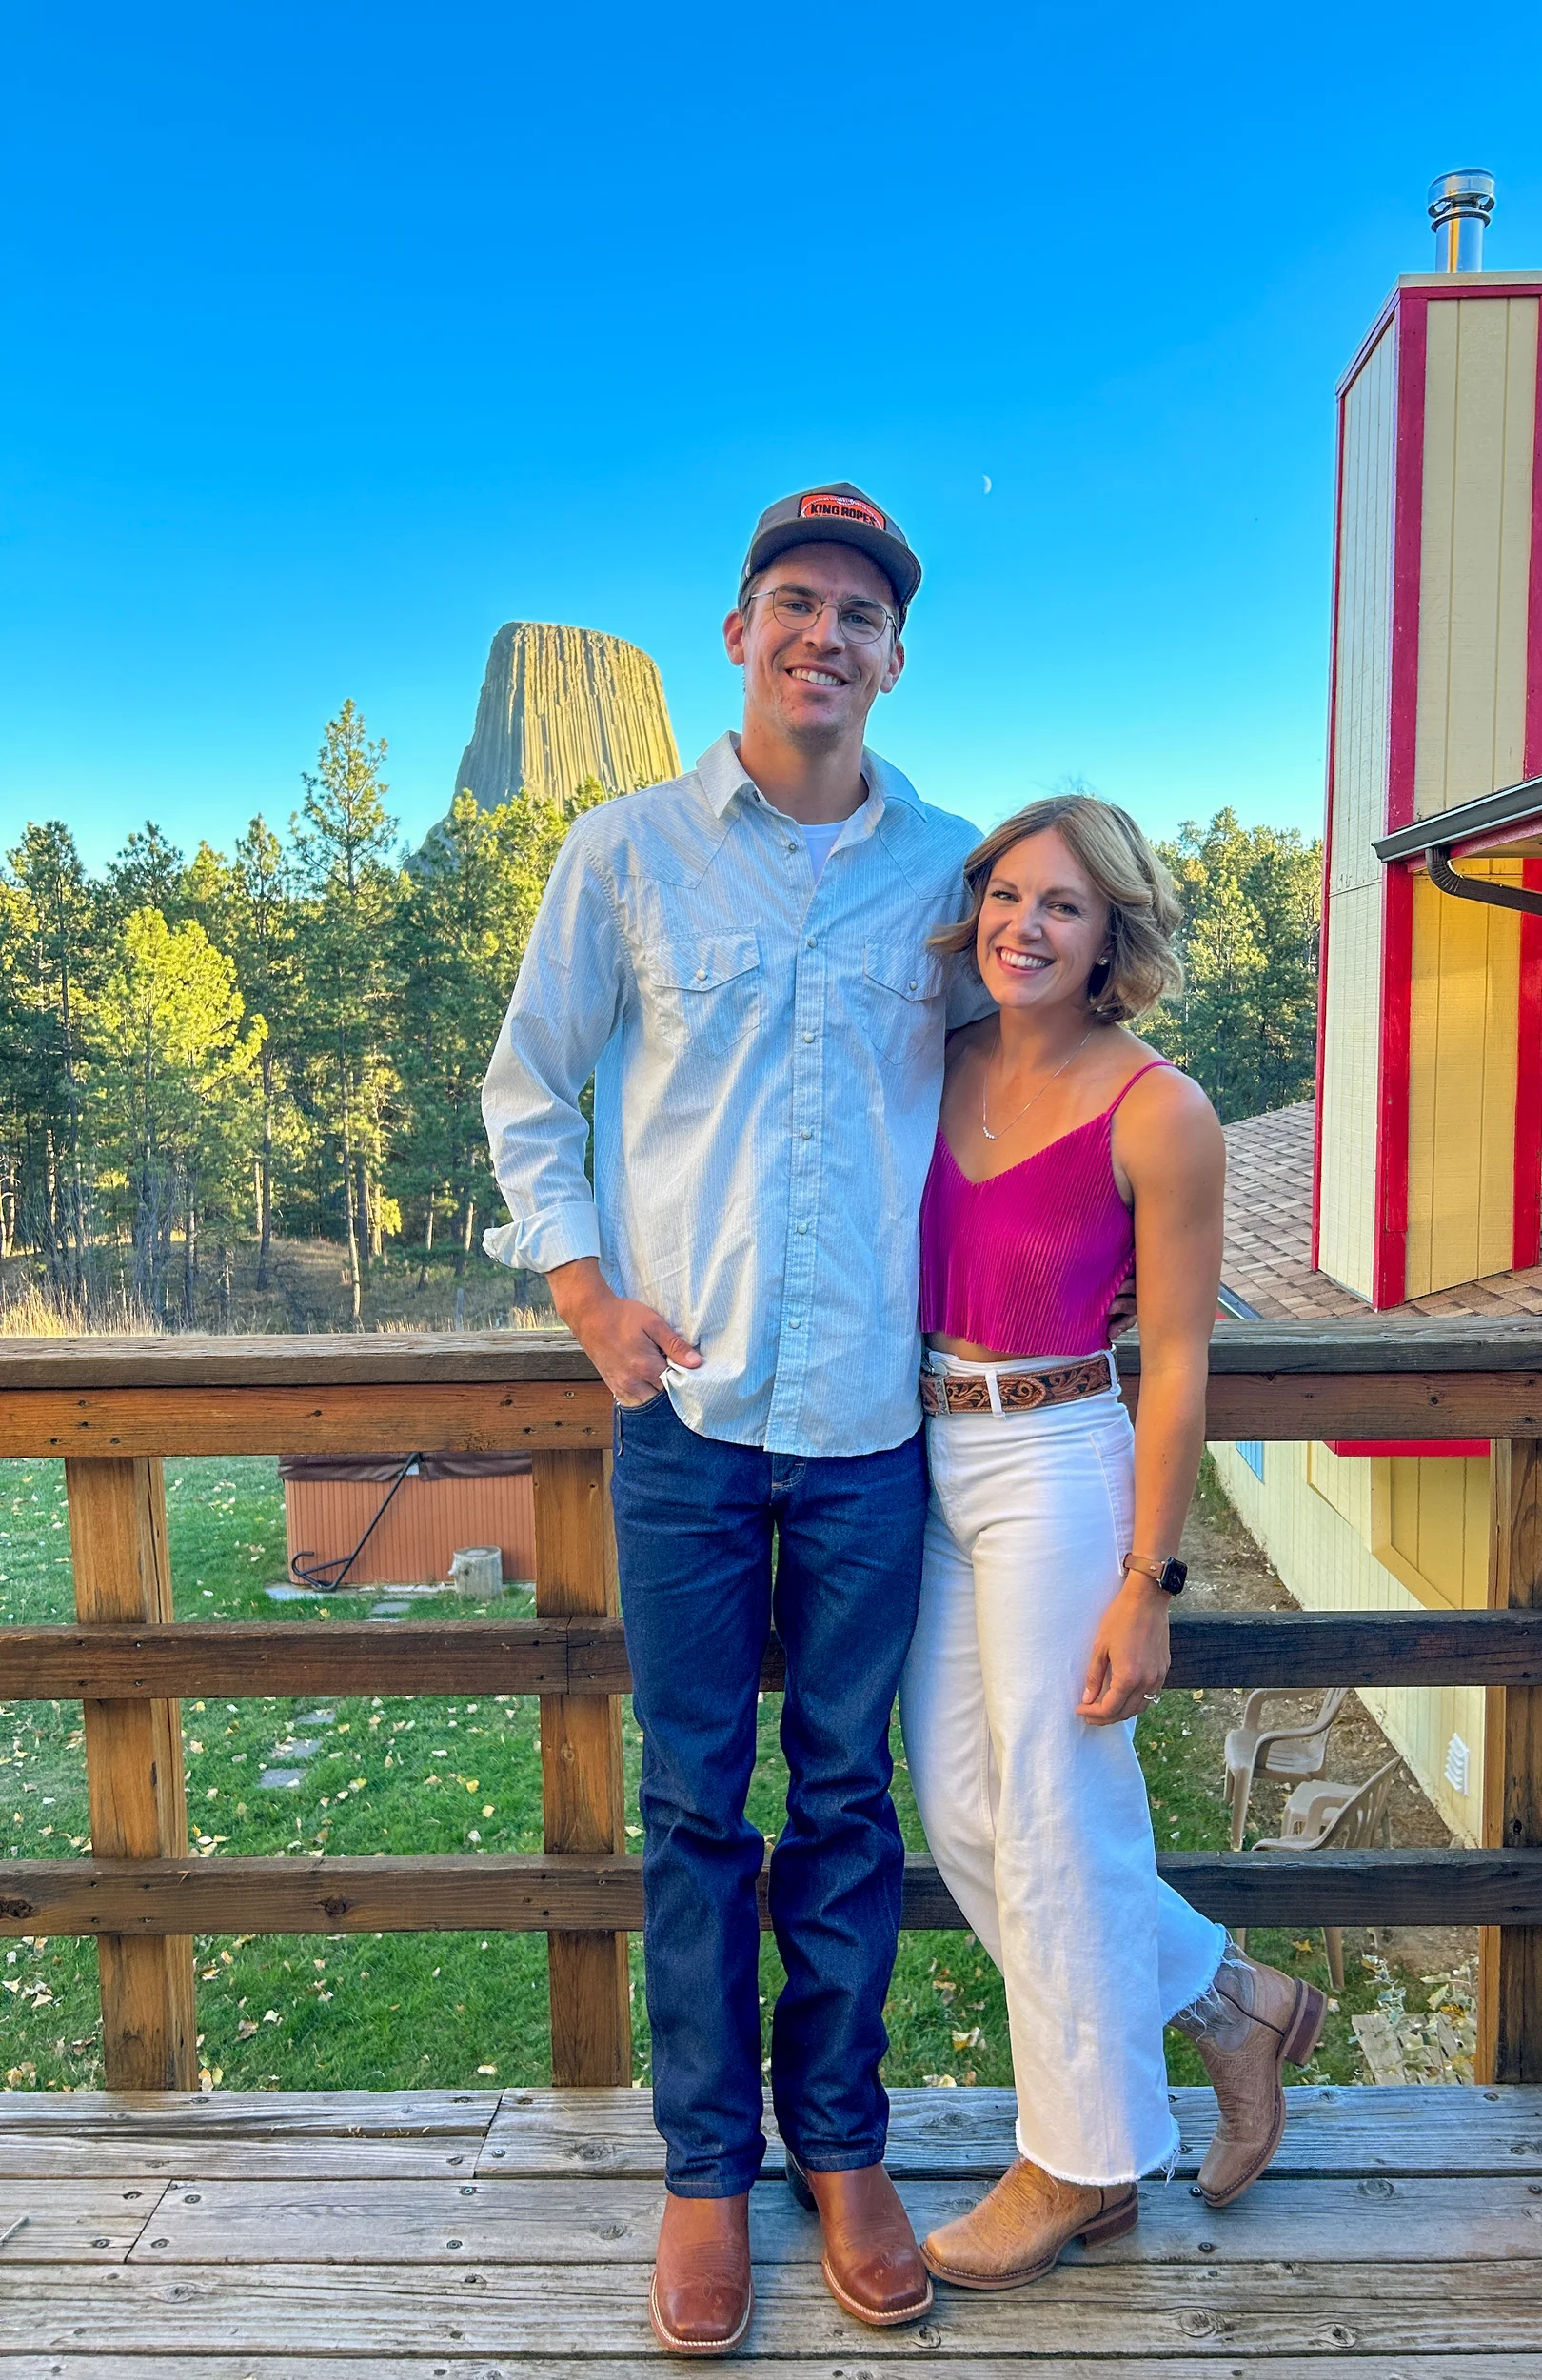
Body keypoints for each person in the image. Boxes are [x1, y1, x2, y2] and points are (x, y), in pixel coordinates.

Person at [482, 485, 986, 2356]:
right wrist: (585, 1292)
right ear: (739, 630)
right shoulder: (622, 855)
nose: (823, 635)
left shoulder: (948, 872)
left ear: (891, 655)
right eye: (794, 601)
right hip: (684, 1417)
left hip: (869, 1418)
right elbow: (528, 1088)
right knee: (698, 1804)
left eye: (858, 612)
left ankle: (840, 2150)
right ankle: (707, 2172)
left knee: (845, 1804)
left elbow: (1035, 1084)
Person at [899, 793, 1327, 2292]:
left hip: (1057, 1462)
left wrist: (1148, 1582)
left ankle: (1078, 2163)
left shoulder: (1160, 1109)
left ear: (1111, 936)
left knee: (1058, 1815)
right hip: (925, 1452)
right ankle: (1230, 2001)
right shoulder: (935, 1061)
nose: (1025, 923)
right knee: (961, 1810)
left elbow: (1183, 1369)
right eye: (1007, 894)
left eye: (1062, 905)